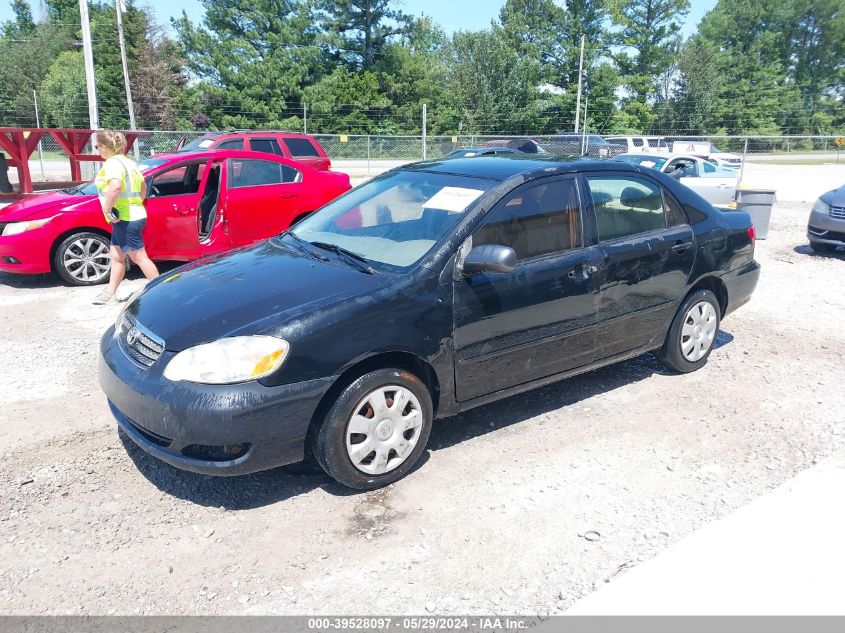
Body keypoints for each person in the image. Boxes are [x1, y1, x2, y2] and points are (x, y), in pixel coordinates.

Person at [92, 130, 159, 304]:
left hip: (126, 217)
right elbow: (143, 187)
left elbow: (115, 186)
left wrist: (107, 208)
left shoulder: (112, 163)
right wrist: (136, 203)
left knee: (139, 257)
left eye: (97, 147)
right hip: (130, 214)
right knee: (116, 255)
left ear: (104, 147)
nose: (96, 150)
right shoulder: (129, 162)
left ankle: (161, 293)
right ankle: (110, 293)